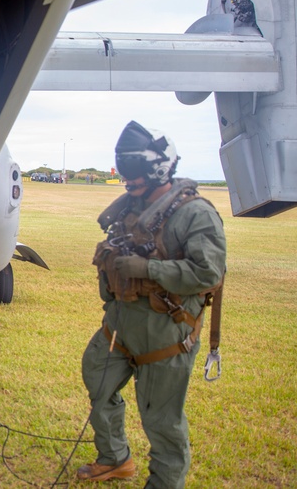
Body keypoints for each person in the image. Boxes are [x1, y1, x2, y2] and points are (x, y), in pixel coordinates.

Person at [80, 121, 226, 487]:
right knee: (98, 384)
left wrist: (149, 268)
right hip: (120, 324)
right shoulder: (130, 206)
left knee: (161, 419)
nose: (130, 187)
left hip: (166, 332)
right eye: (126, 180)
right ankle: (115, 459)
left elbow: (209, 273)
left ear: (159, 170)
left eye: (136, 180)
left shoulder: (196, 213)